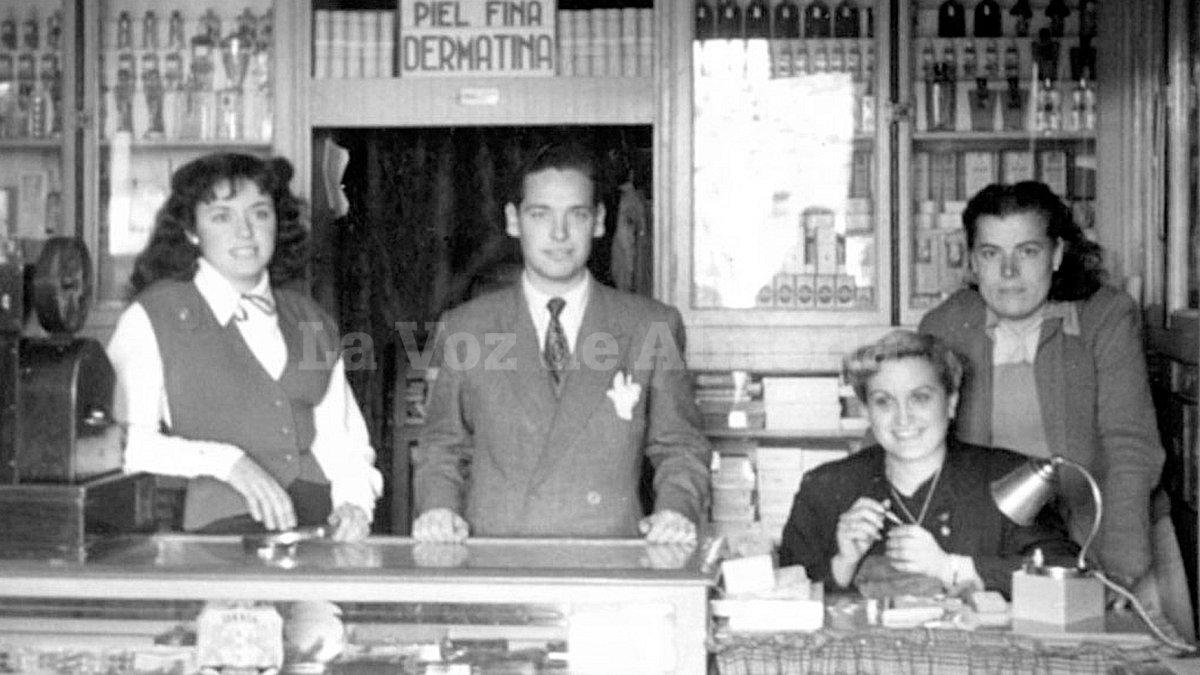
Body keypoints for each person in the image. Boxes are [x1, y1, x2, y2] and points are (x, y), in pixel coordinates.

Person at [918, 181, 1188, 632]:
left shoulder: (1105, 315)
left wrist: (1118, 572)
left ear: (1057, 254)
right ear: (971, 261)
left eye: (1026, 251)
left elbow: (1130, 447)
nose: (1008, 272)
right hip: (998, 551)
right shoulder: (946, 324)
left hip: (1111, 536)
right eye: (990, 253)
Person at [411, 141, 711, 543]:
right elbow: (442, 448)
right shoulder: (467, 327)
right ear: (513, 221)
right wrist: (437, 509)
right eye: (540, 214)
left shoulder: (650, 325)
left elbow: (681, 447)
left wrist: (675, 511)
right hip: (496, 564)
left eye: (577, 214)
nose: (559, 233)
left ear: (600, 221)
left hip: (609, 566)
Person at [107, 152, 381, 540]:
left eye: (259, 213)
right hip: (215, 540)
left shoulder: (311, 318)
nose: (245, 232)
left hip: (316, 533)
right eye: (222, 216)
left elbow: (343, 439)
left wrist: (354, 504)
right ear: (191, 230)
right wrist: (228, 462)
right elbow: (124, 446)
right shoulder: (152, 316)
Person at [779, 330, 1078, 597]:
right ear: (867, 411)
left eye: (920, 398)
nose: (903, 418)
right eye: (884, 401)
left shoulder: (1010, 477)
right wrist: (842, 565)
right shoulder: (824, 487)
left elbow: (1067, 574)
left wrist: (951, 568)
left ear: (951, 403)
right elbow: (778, 595)